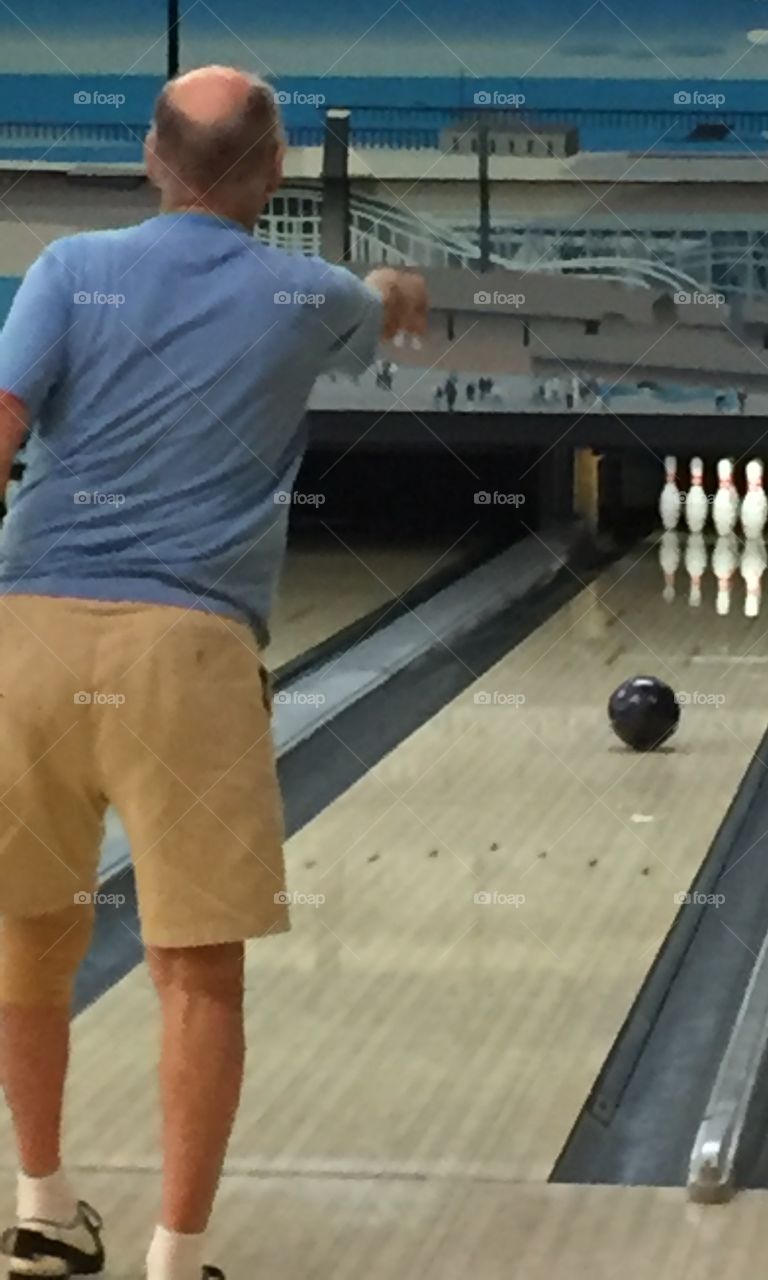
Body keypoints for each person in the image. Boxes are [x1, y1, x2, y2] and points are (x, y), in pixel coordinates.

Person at [0, 66, 427, 1280]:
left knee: (26, 936)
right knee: (197, 972)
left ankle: (41, 1207)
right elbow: (374, 306)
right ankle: (175, 1260)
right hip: (186, 655)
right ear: (275, 169)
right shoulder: (306, 292)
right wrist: (396, 286)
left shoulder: (69, 270)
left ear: (151, 156)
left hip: (27, 636)